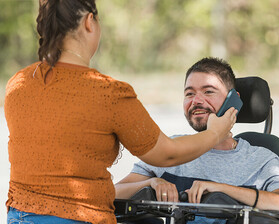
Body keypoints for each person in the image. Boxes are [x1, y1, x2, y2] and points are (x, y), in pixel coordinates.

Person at [4, 2, 236, 224]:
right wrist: (215, 133)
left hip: (20, 216)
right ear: (89, 22)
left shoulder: (19, 83)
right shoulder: (108, 93)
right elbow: (167, 155)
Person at [115, 57, 279, 223]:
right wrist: (151, 182)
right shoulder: (171, 151)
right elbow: (112, 193)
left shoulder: (261, 158)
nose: (196, 101)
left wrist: (220, 189)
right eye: (189, 94)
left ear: (234, 100)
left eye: (208, 91)